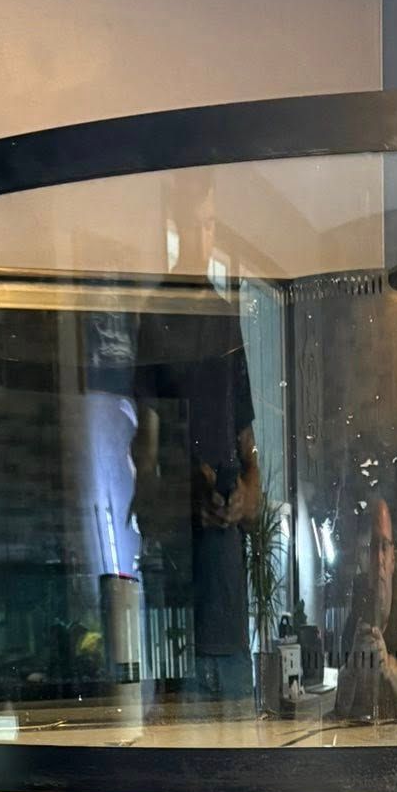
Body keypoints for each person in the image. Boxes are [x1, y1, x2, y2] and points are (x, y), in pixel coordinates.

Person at [130, 199, 260, 705]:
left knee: (231, 678)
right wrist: (181, 496)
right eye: (191, 222)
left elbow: (249, 444)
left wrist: (244, 496)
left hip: (223, 549)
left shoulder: (225, 316)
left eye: (208, 222)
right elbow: (147, 450)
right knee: (180, 698)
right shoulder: (156, 316)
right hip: (178, 549)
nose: (200, 236)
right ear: (174, 227)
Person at [335, 493, 397, 722]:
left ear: (394, 557)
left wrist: (388, 665)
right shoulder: (355, 618)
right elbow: (340, 706)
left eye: (384, 546)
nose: (378, 558)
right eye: (372, 547)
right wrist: (353, 666)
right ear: (362, 557)